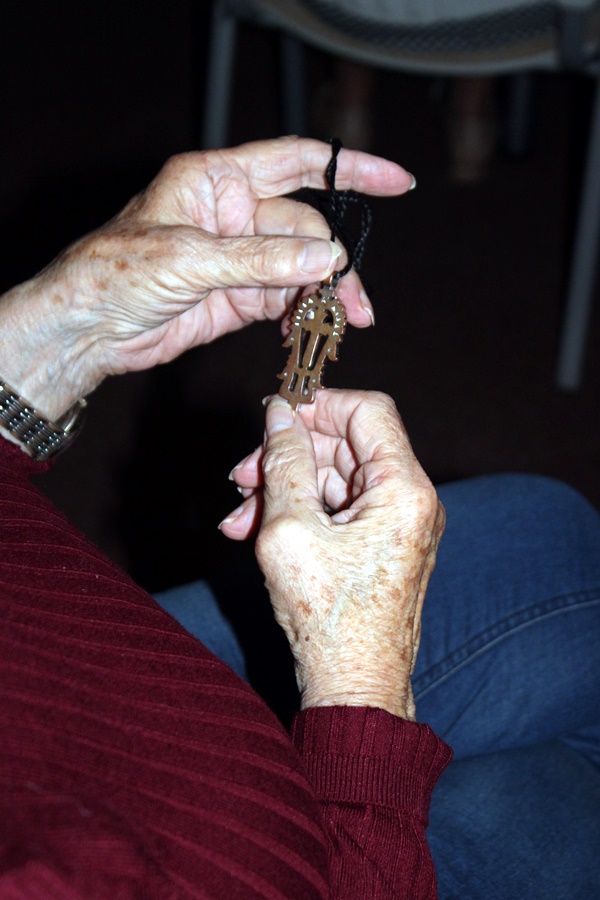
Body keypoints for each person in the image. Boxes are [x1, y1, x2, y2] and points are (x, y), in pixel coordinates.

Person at [0, 136, 598, 899]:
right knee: (553, 806)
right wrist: (361, 687)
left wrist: (45, 341)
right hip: (258, 853)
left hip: (61, 663)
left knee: (549, 535)